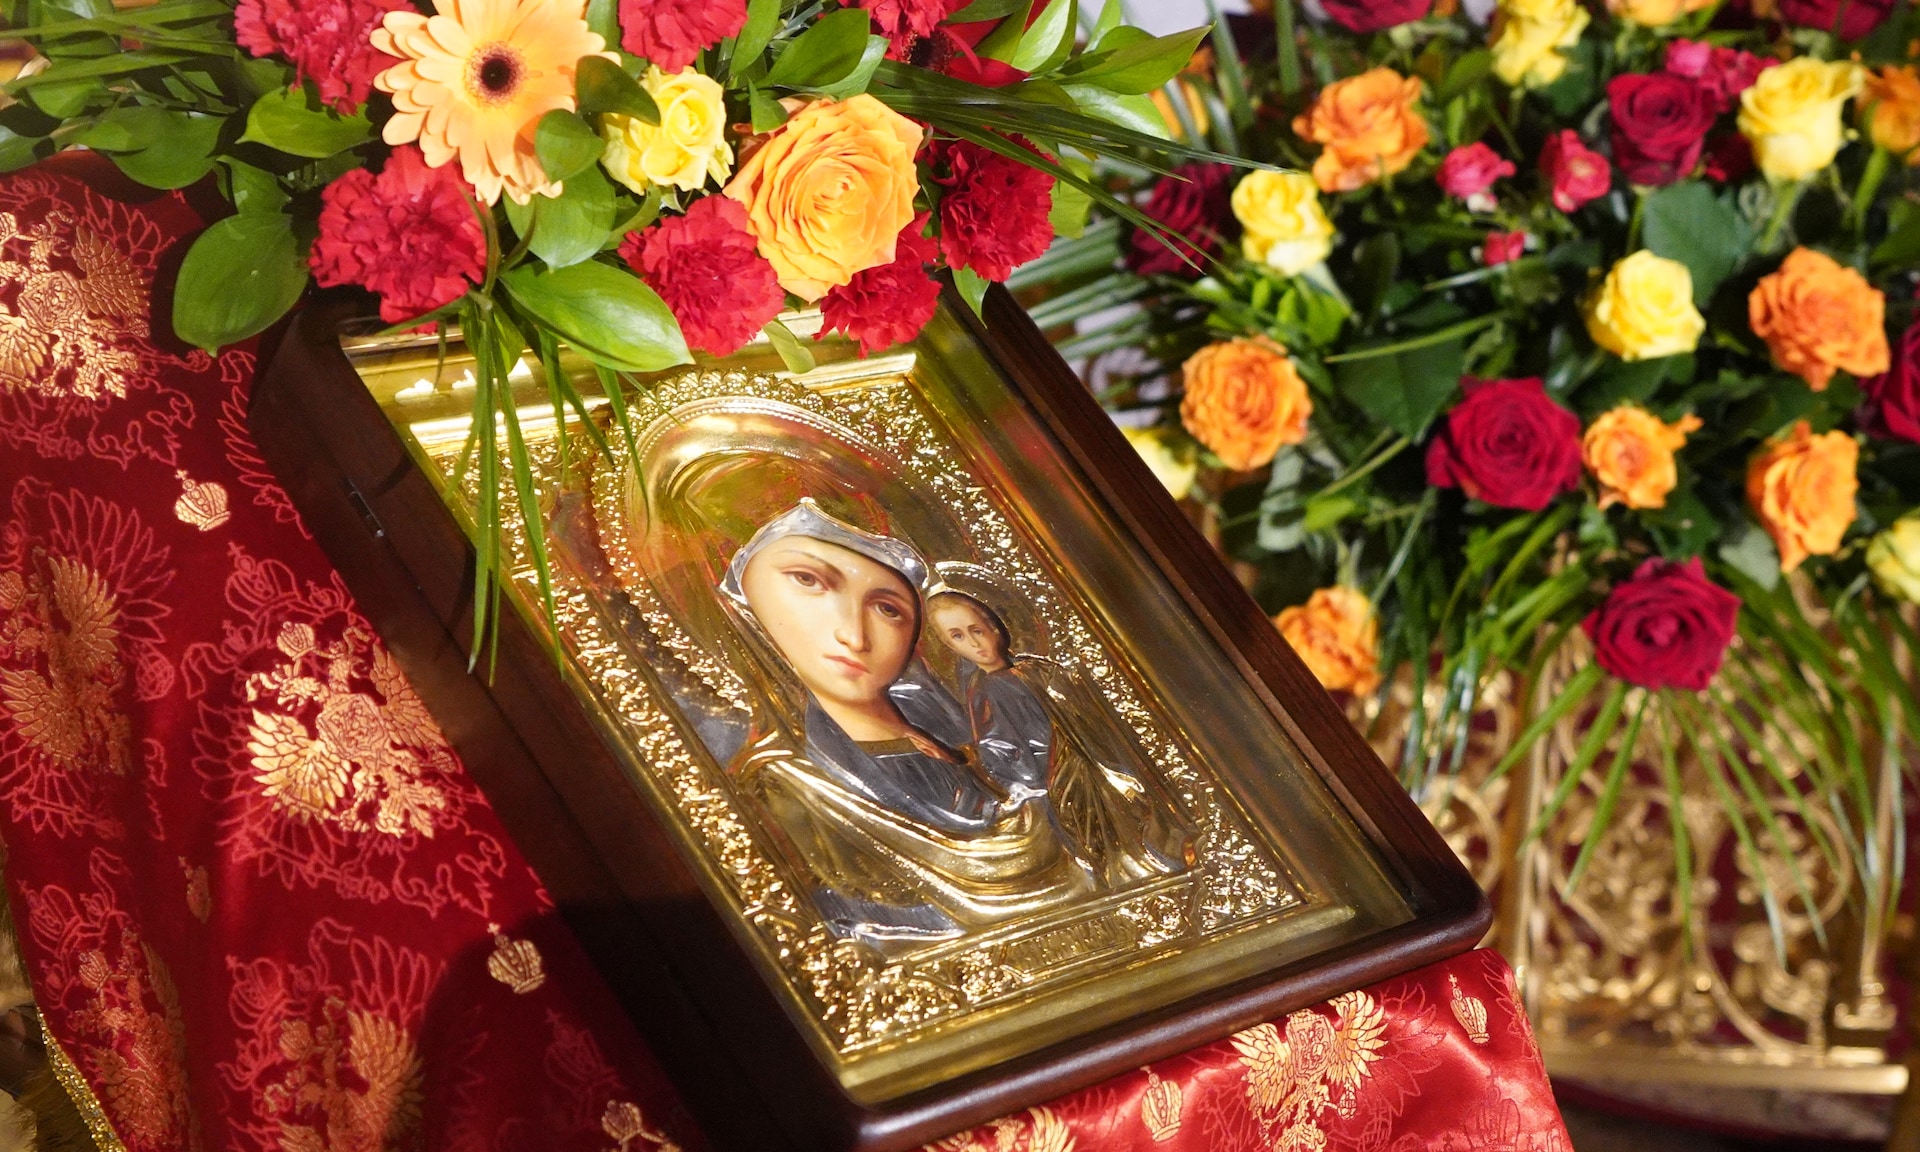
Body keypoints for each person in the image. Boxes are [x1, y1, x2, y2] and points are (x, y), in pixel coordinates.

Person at [928, 591, 1194, 888]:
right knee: (1096, 840)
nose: (974, 643)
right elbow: (1000, 749)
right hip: (1055, 783)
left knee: (1131, 825)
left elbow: (1085, 715)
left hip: (1091, 766)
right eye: (958, 637)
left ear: (994, 627)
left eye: (976, 630)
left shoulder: (1038, 669)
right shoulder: (982, 691)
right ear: (949, 646)